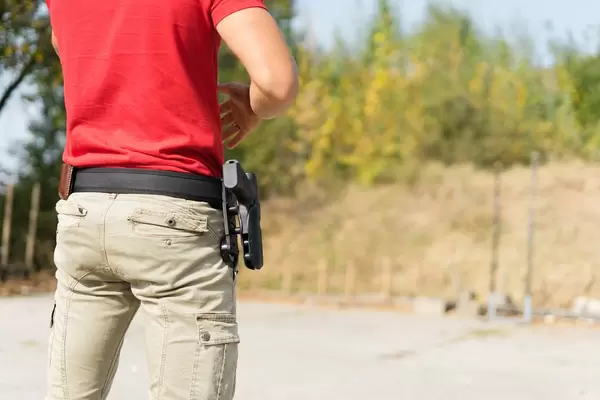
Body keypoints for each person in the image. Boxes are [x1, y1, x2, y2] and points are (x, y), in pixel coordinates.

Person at [44, 0, 298, 399]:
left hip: (84, 209)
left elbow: (70, 49)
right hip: (175, 215)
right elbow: (277, 83)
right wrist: (252, 107)